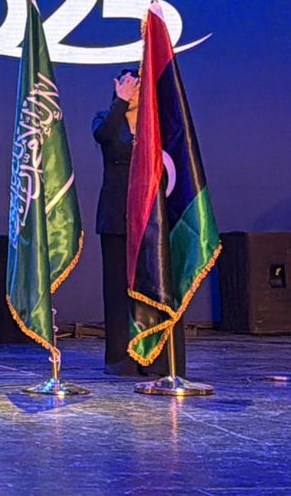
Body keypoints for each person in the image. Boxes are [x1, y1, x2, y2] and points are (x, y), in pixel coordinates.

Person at [93, 68, 185, 377]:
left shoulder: (156, 125)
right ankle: (122, 359)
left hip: (150, 215)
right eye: (127, 83)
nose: (133, 89)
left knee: (154, 282)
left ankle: (156, 357)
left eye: (138, 85)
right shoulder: (105, 118)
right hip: (116, 216)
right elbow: (104, 137)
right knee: (117, 288)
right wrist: (120, 102)